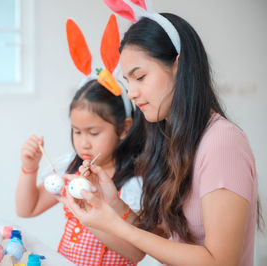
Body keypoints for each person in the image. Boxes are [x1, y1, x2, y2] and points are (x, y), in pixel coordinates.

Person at [61, 6, 262, 266]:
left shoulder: (222, 143)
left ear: (179, 66)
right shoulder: (170, 139)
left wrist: (117, 226)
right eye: (128, 81)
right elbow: (164, 238)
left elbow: (221, 261)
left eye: (140, 77)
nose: (131, 92)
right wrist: (113, 203)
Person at [15, 77, 147, 265]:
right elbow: (27, 209)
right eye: (77, 131)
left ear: (124, 128)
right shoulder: (71, 169)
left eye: (93, 133)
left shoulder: (133, 182)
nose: (83, 143)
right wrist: (29, 168)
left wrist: (89, 218)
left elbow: (136, 253)